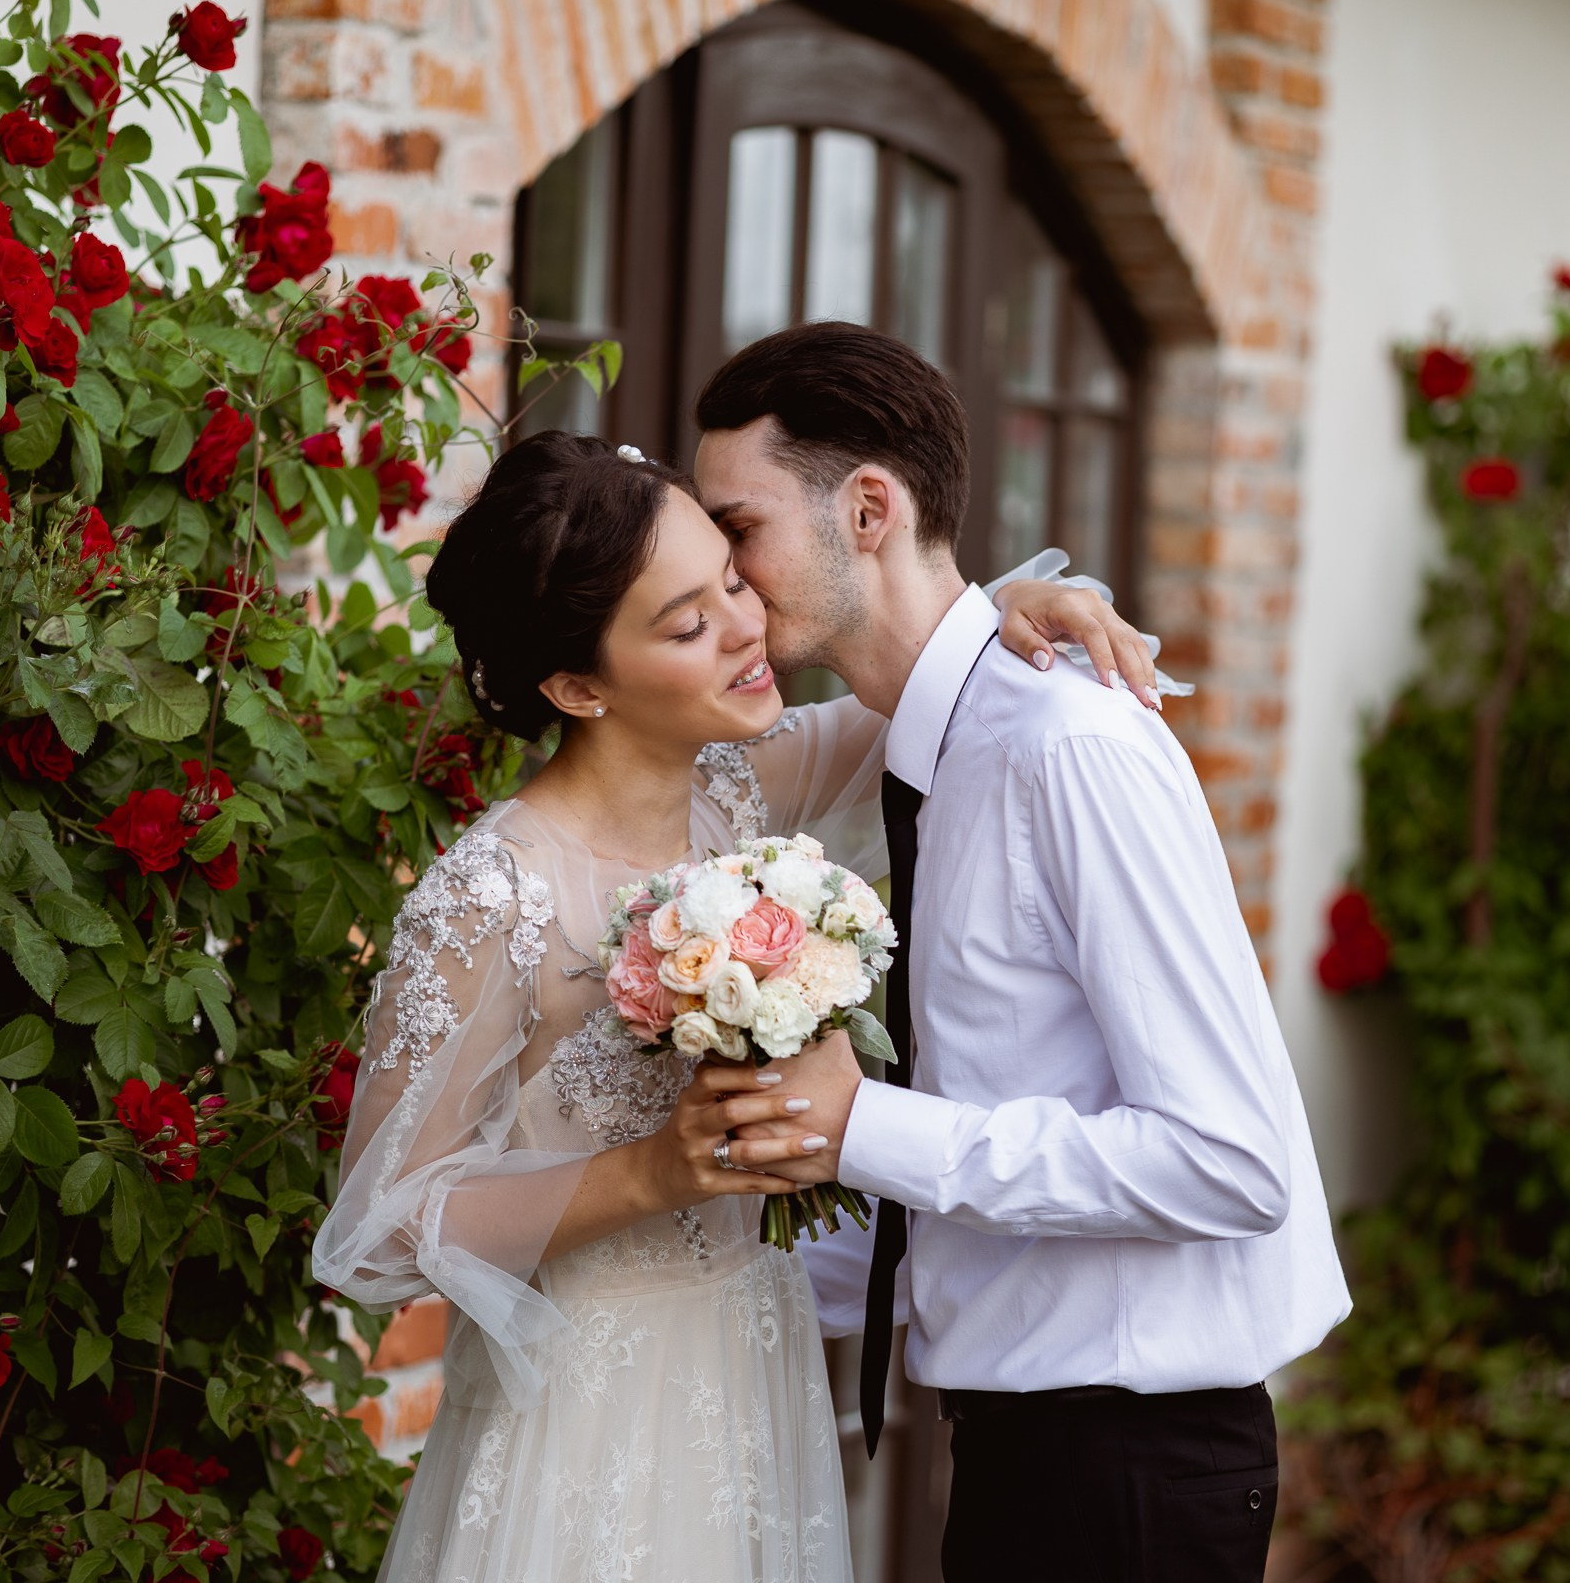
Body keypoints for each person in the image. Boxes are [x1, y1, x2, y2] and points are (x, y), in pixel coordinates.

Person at [308, 428, 1159, 1582]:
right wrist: (649, 1174)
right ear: (577, 686)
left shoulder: (741, 787)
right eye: (686, 624)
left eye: (730, 580)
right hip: (582, 1412)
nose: (746, 627)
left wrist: (1018, 604)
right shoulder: (491, 898)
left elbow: (932, 668)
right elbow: (383, 1230)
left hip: (749, 1363)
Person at [694, 322, 1351, 1583]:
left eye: (739, 532)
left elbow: (1231, 1158)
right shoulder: (934, 738)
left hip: (1127, 1472)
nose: (725, 581)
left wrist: (863, 1126)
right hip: (1031, 1457)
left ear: (869, 510)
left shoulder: (1065, 745)